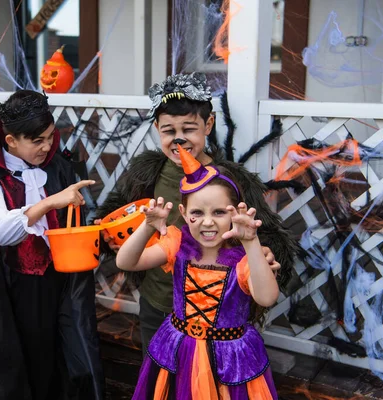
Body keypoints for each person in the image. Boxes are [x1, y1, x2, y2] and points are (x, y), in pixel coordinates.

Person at [95, 73, 297, 354]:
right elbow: (120, 210)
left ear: (208, 124)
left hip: (214, 314)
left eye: (189, 129)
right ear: (157, 129)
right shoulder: (147, 172)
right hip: (158, 301)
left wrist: (267, 253)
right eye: (169, 131)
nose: (179, 138)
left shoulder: (228, 180)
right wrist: (106, 232)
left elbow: (265, 233)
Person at [116, 147, 279, 398]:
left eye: (219, 212)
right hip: (180, 352)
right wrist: (148, 228)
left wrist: (251, 243)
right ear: (183, 214)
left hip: (228, 361)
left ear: (234, 212)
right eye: (197, 212)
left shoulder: (247, 261)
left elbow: (267, 298)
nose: (207, 222)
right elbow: (126, 262)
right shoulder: (176, 245)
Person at [0, 90, 104, 400]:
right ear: (11, 142)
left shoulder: (57, 167)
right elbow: (2, 233)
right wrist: (47, 204)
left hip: (63, 280)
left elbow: (73, 218)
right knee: (31, 355)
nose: (47, 146)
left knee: (68, 351)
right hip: (20, 286)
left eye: (50, 137)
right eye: (37, 141)